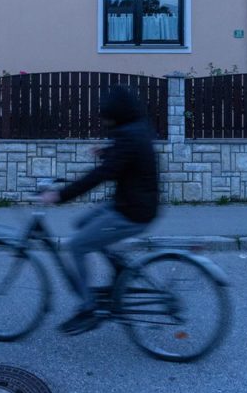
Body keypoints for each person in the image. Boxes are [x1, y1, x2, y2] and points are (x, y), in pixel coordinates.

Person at [40, 85, 160, 335]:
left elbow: (102, 175)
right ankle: (118, 267)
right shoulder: (136, 128)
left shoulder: (128, 135)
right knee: (83, 224)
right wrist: (105, 151)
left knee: (77, 245)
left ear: (116, 114)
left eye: (106, 115)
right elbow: (124, 158)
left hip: (132, 211)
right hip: (131, 203)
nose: (104, 120)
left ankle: (89, 307)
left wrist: (61, 195)